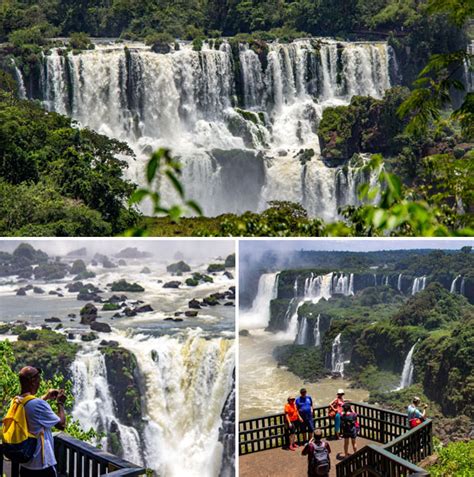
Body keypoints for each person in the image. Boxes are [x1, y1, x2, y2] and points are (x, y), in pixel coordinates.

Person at [17, 366, 67, 477]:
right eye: (39, 379)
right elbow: (61, 425)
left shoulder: (17, 400)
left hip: (26, 464)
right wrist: (60, 403)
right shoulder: (38, 405)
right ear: (33, 381)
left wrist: (46, 396)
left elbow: (31, 406)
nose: (40, 382)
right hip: (41, 465)